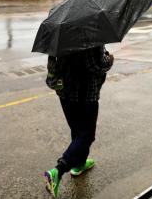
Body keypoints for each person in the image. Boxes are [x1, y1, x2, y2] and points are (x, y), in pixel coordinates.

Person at [44, 45, 114, 198]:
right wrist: (109, 58)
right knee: (87, 135)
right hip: (85, 93)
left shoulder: (61, 37)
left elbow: (53, 62)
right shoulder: (89, 36)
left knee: (77, 130)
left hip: (64, 92)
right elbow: (96, 65)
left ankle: (79, 164)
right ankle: (58, 171)